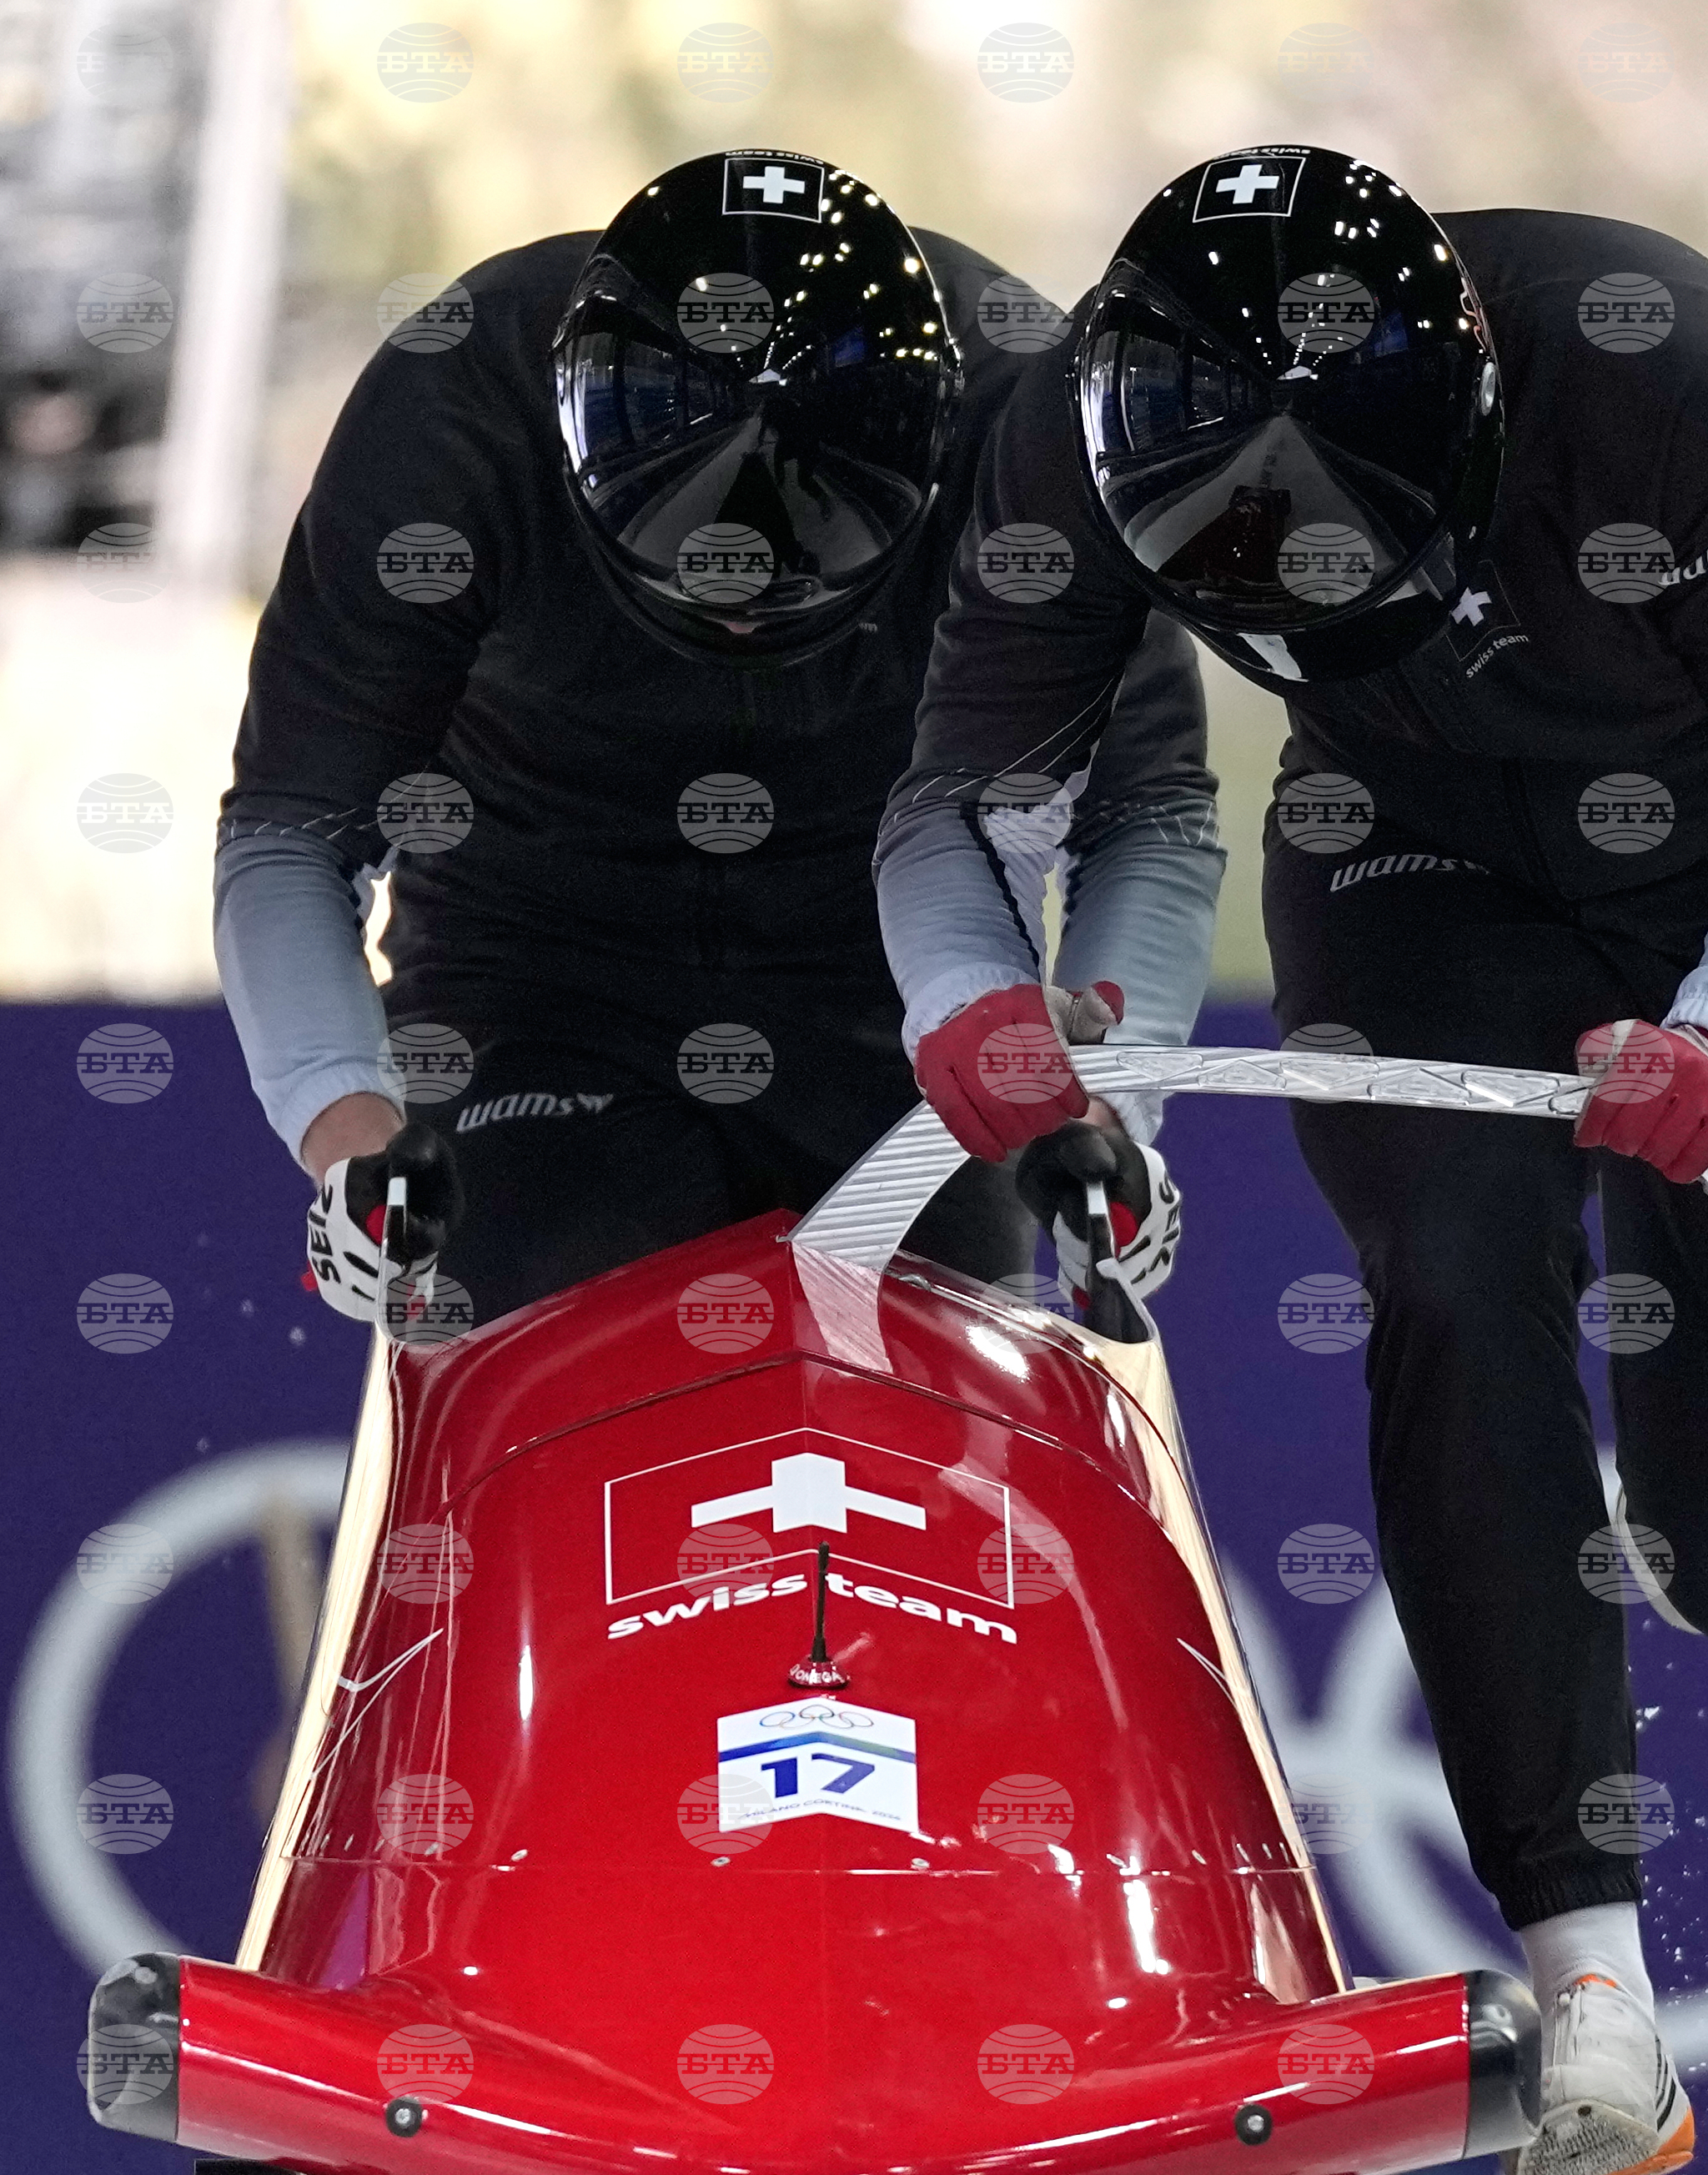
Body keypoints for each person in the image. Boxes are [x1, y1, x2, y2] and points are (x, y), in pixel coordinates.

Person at [876, 144, 1708, 2175]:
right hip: (1413, 856)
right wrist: (966, 1000)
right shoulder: (1070, 445)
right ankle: (1592, 1999)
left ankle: (1692, 1464)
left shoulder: (1661, 380)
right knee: (1453, 1280)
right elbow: (957, 799)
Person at [215, 147, 1222, 1329]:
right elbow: (294, 826)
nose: (744, 613)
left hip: (904, 999)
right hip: (535, 982)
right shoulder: (455, 409)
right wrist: (356, 1136)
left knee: (939, 1432)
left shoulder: (1037, 437)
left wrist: (1097, 1106)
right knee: (568, 1349)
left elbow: (1147, 813)